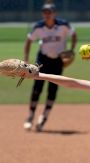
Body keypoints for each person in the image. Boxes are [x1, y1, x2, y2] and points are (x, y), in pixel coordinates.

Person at [23, 3, 77, 131]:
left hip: (58, 61)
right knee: (37, 88)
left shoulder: (63, 25)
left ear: (54, 13)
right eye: (45, 12)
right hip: (42, 60)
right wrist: (26, 59)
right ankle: (30, 116)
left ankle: (43, 118)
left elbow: (74, 35)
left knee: (52, 90)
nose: (47, 14)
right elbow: (29, 40)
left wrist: (72, 50)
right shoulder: (39, 27)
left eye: (49, 12)